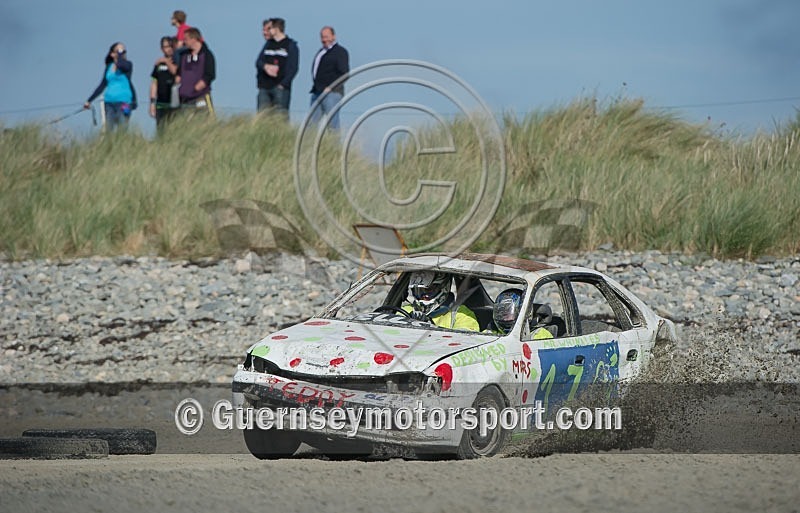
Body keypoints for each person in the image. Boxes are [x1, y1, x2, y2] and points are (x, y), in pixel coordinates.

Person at [84, 42, 137, 131]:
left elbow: (120, 65)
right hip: (109, 102)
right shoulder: (109, 67)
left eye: (123, 51)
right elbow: (102, 85)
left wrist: (119, 54)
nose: (122, 53)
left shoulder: (128, 65)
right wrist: (89, 100)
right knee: (108, 129)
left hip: (124, 102)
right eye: (119, 51)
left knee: (122, 129)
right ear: (112, 54)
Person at [403, 271, 479, 331]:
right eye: (418, 290)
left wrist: (430, 328)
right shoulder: (405, 310)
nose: (423, 296)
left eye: (429, 290)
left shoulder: (462, 314)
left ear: (444, 287)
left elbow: (466, 342)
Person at [309, 26, 349, 129]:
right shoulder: (321, 52)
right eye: (322, 37)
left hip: (332, 93)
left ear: (333, 36)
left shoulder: (340, 52)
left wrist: (331, 87)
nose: (324, 39)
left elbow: (344, 74)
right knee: (311, 124)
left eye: (327, 37)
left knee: (332, 124)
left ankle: (334, 145)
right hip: (317, 92)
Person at [258, 17, 299, 117]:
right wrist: (266, 66)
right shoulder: (268, 44)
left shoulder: (290, 45)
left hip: (280, 88)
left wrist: (283, 84)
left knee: (280, 118)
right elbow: (258, 61)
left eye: (270, 28)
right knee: (262, 118)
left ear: (276, 29)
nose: (267, 31)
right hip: (264, 87)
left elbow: (293, 68)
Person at [176, 27, 216, 116]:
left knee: (206, 122)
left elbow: (210, 74)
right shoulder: (184, 56)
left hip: (201, 97)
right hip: (185, 99)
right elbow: (179, 74)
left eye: (186, 39)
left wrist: (198, 87)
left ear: (193, 39)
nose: (184, 41)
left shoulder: (207, 55)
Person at [149, 36, 178, 133]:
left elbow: (175, 72)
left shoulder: (177, 61)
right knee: (161, 131)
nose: (169, 49)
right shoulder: (159, 65)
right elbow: (154, 83)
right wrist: (152, 103)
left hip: (174, 102)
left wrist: (166, 62)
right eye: (166, 47)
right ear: (162, 49)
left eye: (170, 46)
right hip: (161, 103)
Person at [255, 19, 273, 112]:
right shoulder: (267, 45)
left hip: (274, 87)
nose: (264, 32)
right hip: (264, 85)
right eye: (263, 30)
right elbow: (258, 62)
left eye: (268, 29)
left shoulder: (279, 46)